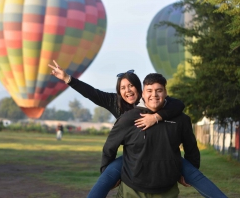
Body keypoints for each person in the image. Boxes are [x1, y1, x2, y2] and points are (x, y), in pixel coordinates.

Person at [48, 61, 227, 198]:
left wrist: (157, 116)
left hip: (162, 154)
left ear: (139, 88)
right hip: (133, 154)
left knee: (194, 174)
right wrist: (67, 79)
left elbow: (178, 105)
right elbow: (92, 93)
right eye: (123, 88)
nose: (128, 91)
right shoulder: (117, 105)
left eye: (131, 86)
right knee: (108, 175)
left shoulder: (159, 103)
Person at [101, 73, 200, 197]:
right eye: (149, 90)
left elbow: (191, 148)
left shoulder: (181, 119)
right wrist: (107, 174)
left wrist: (190, 173)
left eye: (159, 90)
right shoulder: (128, 118)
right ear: (143, 93)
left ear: (165, 93)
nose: (154, 95)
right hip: (132, 190)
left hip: (167, 190)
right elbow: (109, 147)